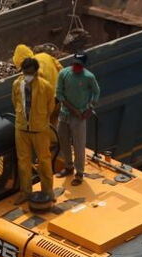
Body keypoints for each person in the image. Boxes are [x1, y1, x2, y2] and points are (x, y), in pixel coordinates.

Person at [11, 56, 55, 202]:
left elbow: (50, 107)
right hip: (22, 128)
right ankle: (26, 192)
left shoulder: (45, 86)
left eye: (30, 73)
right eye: (25, 72)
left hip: (40, 129)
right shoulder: (17, 84)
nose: (27, 76)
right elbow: (15, 101)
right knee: (23, 162)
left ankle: (48, 192)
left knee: (44, 161)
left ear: (36, 72)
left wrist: (39, 119)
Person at [56, 54, 100, 183]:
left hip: (80, 117)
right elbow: (59, 93)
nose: (75, 67)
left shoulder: (88, 77)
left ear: (83, 66)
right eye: (74, 64)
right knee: (63, 141)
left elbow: (96, 92)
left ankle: (79, 173)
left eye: (79, 65)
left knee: (79, 145)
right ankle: (68, 167)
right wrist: (72, 109)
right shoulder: (64, 73)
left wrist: (90, 108)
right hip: (65, 114)